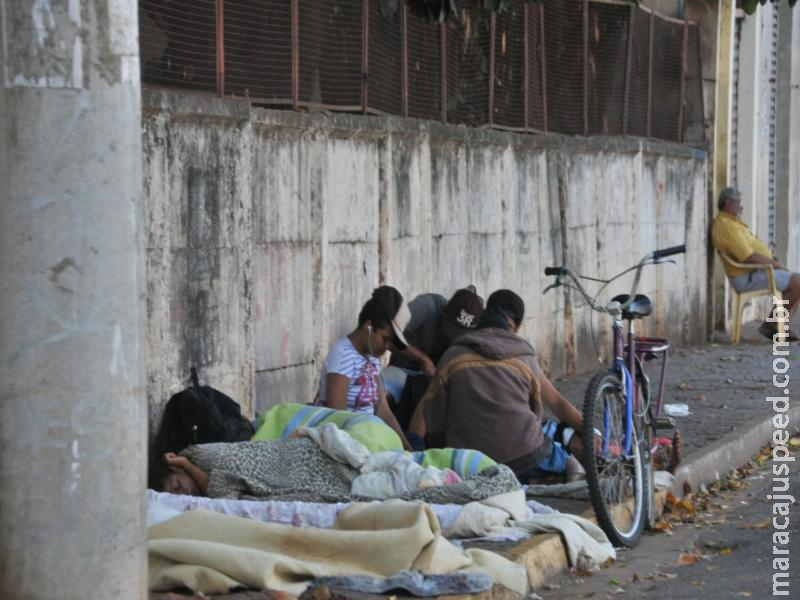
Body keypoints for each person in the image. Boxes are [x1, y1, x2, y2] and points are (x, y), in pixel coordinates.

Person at [409, 289, 586, 484]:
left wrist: (420, 452)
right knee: (567, 459)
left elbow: (428, 412)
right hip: (525, 455)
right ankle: (566, 474)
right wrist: (591, 431)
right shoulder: (523, 355)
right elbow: (558, 404)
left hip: (470, 462)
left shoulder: (453, 355)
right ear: (516, 325)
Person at [316, 286, 412, 450]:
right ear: (369, 326)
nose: (387, 347)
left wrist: (407, 449)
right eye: (385, 339)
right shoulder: (342, 354)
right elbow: (337, 417)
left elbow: (382, 409)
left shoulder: (371, 358)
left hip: (367, 436)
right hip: (348, 442)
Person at [711, 187, 800, 341]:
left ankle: (781, 327)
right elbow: (748, 257)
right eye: (738, 203)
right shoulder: (726, 225)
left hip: (755, 272)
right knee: (797, 283)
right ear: (727, 203)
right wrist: (775, 265)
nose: (741, 207)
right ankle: (773, 326)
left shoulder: (732, 222)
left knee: (796, 283)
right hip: (747, 276)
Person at [382, 286, 484, 408]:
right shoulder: (427, 307)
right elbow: (386, 334)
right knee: (382, 394)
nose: (451, 338)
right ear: (444, 312)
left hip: (438, 383)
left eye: (459, 335)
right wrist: (422, 359)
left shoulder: (477, 337)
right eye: (451, 330)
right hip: (403, 370)